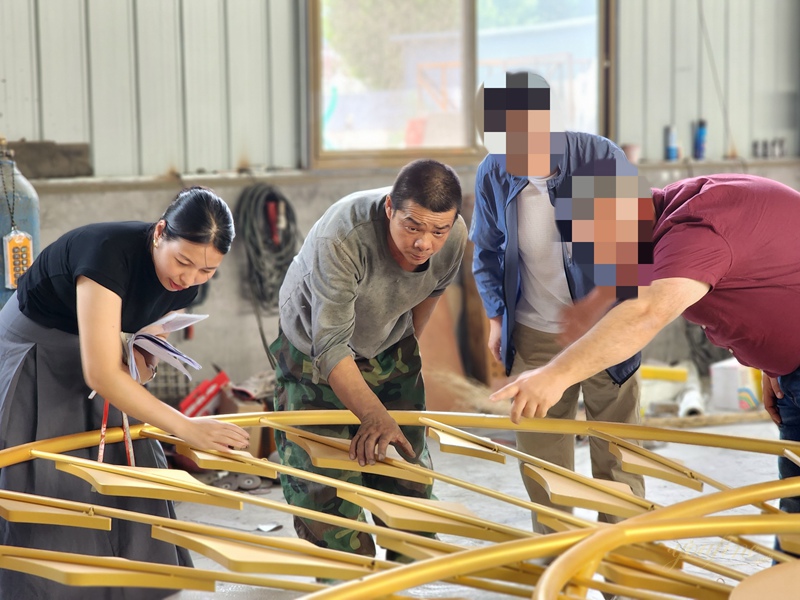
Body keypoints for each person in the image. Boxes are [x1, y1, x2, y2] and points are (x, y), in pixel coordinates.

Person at [491, 172, 800, 547]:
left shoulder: (696, 231)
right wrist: (776, 362)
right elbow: (773, 271)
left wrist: (556, 374)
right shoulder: (674, 206)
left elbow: (647, 312)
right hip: (791, 372)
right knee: (795, 513)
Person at [0, 186, 249, 600]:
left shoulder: (188, 283)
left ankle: (139, 583)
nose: (189, 278)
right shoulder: (107, 254)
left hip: (97, 347)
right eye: (183, 262)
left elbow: (145, 338)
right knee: (46, 474)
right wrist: (188, 428)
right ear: (160, 233)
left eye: (207, 271)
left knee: (131, 462)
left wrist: (141, 356)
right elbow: (100, 374)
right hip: (37, 348)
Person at [470, 70, 644, 534]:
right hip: (535, 333)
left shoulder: (595, 160)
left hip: (606, 330)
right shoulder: (494, 173)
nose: (514, 153)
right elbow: (486, 252)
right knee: (544, 465)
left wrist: (593, 306)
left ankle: (625, 563)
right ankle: (558, 562)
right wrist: (496, 318)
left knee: (618, 456)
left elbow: (630, 252)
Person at [271, 158, 467, 558]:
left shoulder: (455, 236)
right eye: (412, 226)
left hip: (387, 343)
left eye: (438, 231)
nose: (424, 243)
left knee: (405, 466)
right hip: (313, 353)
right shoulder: (343, 237)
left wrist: (396, 360)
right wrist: (373, 413)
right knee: (324, 481)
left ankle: (407, 558)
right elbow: (330, 346)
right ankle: (347, 567)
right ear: (390, 207)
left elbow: (428, 296)